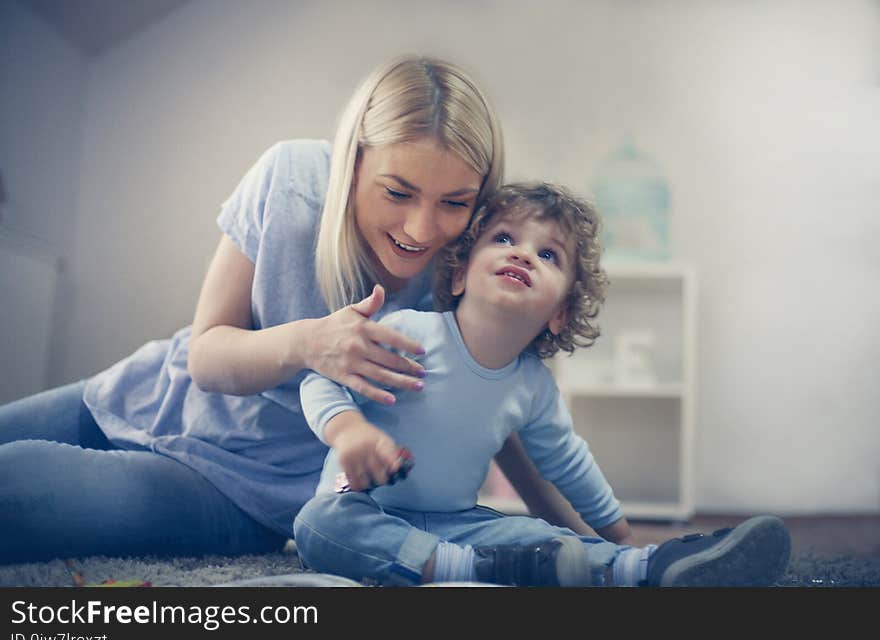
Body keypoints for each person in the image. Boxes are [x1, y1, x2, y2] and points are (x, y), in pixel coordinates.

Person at [0, 55, 576, 565]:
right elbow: (206, 356)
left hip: (242, 489)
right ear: (352, 163)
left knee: (17, 485)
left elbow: (503, 415)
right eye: (397, 193)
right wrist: (308, 344)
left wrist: (590, 542)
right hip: (154, 393)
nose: (421, 229)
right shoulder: (292, 180)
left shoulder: (466, 267)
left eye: (454, 203)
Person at [294, 183, 792, 586]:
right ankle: (468, 570)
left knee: (543, 537)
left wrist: (620, 537)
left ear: (560, 314)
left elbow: (568, 464)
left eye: (549, 254)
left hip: (459, 522)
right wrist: (349, 431)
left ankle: (649, 568)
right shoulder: (408, 332)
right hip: (365, 508)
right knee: (318, 526)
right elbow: (321, 381)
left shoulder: (532, 386)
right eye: (505, 239)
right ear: (461, 273)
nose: (524, 254)